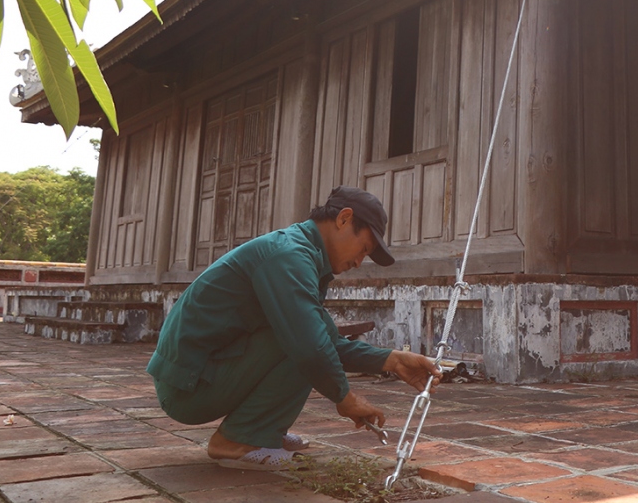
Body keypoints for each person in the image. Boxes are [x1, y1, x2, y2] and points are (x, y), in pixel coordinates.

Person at [146, 186, 441, 470]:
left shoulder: (301, 254)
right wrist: (345, 399)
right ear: (344, 218)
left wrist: (391, 360)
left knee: (307, 334)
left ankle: (261, 430)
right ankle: (238, 440)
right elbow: (310, 346)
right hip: (186, 387)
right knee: (302, 341)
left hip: (195, 377)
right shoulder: (288, 255)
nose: (359, 262)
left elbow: (323, 339)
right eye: (363, 249)